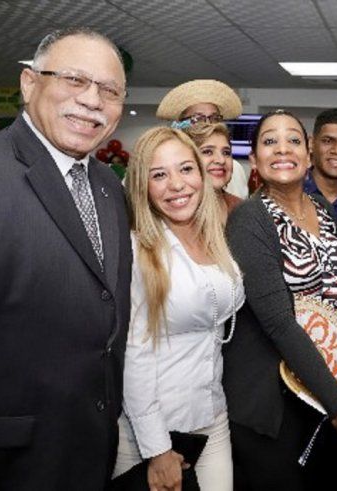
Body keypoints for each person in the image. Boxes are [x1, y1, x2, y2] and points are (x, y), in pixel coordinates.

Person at [0, 28, 132, 488]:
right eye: (74, 79)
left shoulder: (109, 187)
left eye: (109, 90)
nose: (92, 100)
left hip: (90, 451)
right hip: (2, 464)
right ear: (29, 83)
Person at [222, 109, 337, 490]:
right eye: (270, 141)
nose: (282, 149)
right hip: (270, 400)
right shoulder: (250, 219)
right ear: (254, 159)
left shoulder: (323, 209)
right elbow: (278, 321)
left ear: (309, 154)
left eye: (293, 140)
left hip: (314, 389)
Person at [110, 127, 245, 490]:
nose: (176, 185)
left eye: (186, 169)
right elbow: (134, 356)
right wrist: (158, 450)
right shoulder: (138, 251)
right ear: (142, 186)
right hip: (151, 433)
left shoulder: (214, 237)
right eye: (159, 175)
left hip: (212, 417)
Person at [156, 79, 249, 199]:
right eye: (198, 118)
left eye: (214, 118)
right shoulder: (165, 171)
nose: (208, 124)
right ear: (181, 124)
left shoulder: (234, 169)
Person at [184, 122, 243, 215]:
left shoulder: (242, 209)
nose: (221, 160)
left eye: (226, 152)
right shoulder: (176, 211)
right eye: (208, 152)